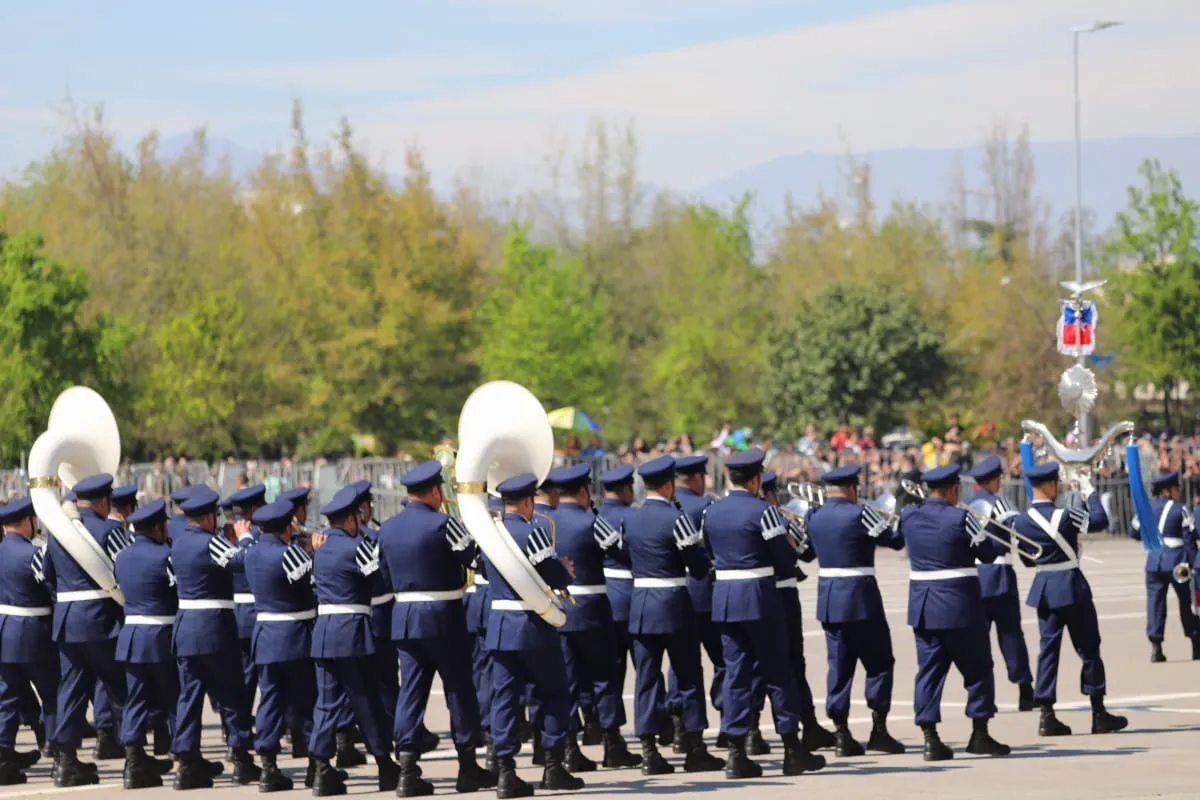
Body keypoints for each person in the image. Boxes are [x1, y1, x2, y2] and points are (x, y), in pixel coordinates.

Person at [703, 449, 823, 779]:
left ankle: (736, 753)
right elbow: (784, 559)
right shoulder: (764, 512)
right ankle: (791, 749)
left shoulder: (712, 512)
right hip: (759, 598)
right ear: (757, 478)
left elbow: (709, 552)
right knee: (778, 672)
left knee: (736, 675)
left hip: (726, 599)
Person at [379, 461, 493, 797]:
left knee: (411, 694)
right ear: (433, 491)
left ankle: (408, 770)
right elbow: (473, 558)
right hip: (444, 617)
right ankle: (468, 767)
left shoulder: (388, 528)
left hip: (405, 617)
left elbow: (383, 573)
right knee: (459, 691)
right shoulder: (444, 524)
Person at [483, 472, 584, 799]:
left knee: (505, 698)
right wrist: (564, 572)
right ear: (527, 500)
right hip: (532, 625)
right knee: (554, 692)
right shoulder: (533, 531)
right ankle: (553, 765)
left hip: (500, 626)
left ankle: (505, 771)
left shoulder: (491, 534)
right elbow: (553, 574)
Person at [622, 456, 723, 776]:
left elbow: (626, 557)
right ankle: (694, 747)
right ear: (667, 485)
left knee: (647, 680)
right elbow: (696, 565)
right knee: (689, 676)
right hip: (674, 604)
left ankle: (649, 752)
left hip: (641, 604)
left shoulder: (631, 518)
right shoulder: (677, 518)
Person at [900, 464, 1009, 760]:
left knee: (929, 673)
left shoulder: (909, 515)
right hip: (960, 608)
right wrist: (1000, 537)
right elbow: (987, 553)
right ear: (952, 489)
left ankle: (930, 738)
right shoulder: (963, 518)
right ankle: (980, 733)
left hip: (924, 608)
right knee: (978, 670)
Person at [1011, 462, 1128, 736]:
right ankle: (1098, 713)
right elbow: (1100, 521)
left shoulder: (1021, 521)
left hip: (1044, 588)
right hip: (1072, 586)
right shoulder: (1066, 515)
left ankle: (1047, 715)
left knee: (1048, 652)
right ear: (1051, 485)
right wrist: (1089, 493)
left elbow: (1028, 561)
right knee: (1089, 648)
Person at [804, 464, 905, 757]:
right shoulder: (861, 513)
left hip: (830, 600)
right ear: (852, 488)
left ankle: (841, 734)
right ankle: (879, 729)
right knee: (880, 662)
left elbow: (807, 553)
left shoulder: (814, 516)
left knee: (839, 666)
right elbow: (894, 541)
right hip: (862, 600)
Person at [546, 463, 641, 772]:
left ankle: (570, 748)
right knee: (605, 678)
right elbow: (622, 553)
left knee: (567, 681)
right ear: (584, 491)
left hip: (558, 609)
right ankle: (612, 744)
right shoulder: (592, 521)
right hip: (593, 609)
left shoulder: (543, 523)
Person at [309, 486, 398, 796]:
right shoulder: (356, 547)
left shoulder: (320, 551)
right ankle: (385, 764)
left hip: (324, 634)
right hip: (352, 633)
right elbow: (379, 580)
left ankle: (321, 767)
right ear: (350, 520)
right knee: (366, 700)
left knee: (326, 703)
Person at [170, 485, 260, 789]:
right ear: (208, 517)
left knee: (189, 697)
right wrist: (245, 536)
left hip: (185, 629)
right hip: (214, 629)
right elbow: (243, 562)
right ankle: (241, 756)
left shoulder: (179, 544)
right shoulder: (210, 543)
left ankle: (186, 760)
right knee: (232, 694)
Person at [46, 473, 131, 785]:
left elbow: (48, 576)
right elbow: (127, 567)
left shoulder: (58, 534)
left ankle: (65, 761)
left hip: (67, 620)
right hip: (101, 619)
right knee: (120, 684)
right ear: (104, 501)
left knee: (71, 689)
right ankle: (134, 756)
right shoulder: (109, 529)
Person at [758, 471, 836, 752]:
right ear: (769, 494)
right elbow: (805, 553)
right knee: (792, 663)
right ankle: (808, 725)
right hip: (782, 596)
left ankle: (752, 733)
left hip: (754, 598)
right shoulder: (776, 520)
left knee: (755, 667)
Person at [244, 499, 318, 793]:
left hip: (265, 636)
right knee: (309, 701)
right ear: (287, 526)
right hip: (295, 635)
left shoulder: (251, 553)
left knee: (270, 701)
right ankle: (317, 764)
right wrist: (315, 551)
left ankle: (269, 766)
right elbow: (312, 581)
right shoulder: (288, 554)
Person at [111, 499, 178, 788]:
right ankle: (186, 756)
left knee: (135, 700)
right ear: (157, 527)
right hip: (160, 635)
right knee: (176, 698)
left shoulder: (122, 557)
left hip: (132, 636)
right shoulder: (165, 556)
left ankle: (133, 761)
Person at [966, 457, 1035, 709]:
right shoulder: (1000, 502)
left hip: (974, 578)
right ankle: (1025, 691)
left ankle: (984, 696)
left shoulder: (968, 504)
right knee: (1011, 636)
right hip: (1000, 575)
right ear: (996, 480)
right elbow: (1020, 529)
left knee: (977, 641)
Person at [667, 454, 723, 752]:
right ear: (698, 478)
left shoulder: (667, 508)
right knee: (725, 660)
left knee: (680, 667)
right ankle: (729, 719)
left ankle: (679, 730)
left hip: (677, 596)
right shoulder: (707, 506)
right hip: (707, 593)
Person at [0, 497, 56, 785]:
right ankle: (61, 754)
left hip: (5, 632)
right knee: (53, 693)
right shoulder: (32, 554)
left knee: (7, 697)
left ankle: (4, 755)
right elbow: (50, 587)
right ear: (26, 522)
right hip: (33, 632)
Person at [1132, 471, 1200, 662]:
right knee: (1187, 603)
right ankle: (1196, 643)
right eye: (1176, 488)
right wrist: (1194, 563)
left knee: (1155, 605)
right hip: (1178, 562)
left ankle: (1156, 647)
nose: (1179, 491)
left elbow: (1134, 532)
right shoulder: (1181, 509)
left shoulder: (1147, 509)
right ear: (1168, 491)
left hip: (1154, 561)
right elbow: (1189, 538)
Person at [223, 484, 266, 717]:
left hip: (234, 614)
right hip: (256, 613)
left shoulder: (223, 536)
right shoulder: (258, 538)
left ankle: (236, 729)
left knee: (241, 676)